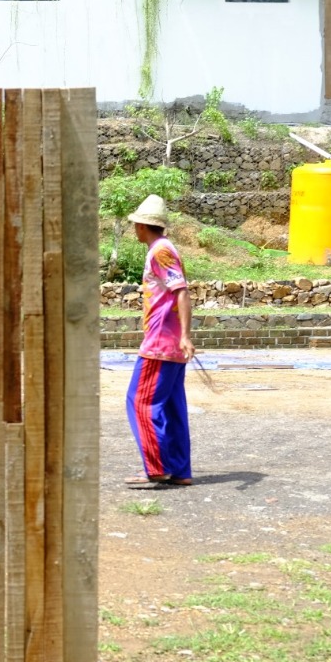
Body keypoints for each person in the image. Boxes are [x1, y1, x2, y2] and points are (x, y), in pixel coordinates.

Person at [124, 195, 195, 488]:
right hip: (171, 344)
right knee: (171, 406)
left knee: (139, 401)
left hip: (160, 344)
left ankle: (156, 468)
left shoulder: (160, 252)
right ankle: (179, 470)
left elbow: (182, 292)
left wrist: (185, 335)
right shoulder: (164, 249)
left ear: (142, 226)